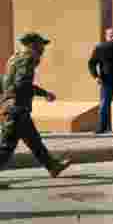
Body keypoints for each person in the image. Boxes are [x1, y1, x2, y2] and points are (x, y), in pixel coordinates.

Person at [0, 33, 72, 177]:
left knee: (34, 141)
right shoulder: (27, 59)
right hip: (17, 108)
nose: (43, 49)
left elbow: (7, 82)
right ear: (32, 45)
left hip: (14, 106)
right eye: (41, 45)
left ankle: (53, 166)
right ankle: (53, 166)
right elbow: (22, 84)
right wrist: (44, 93)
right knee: (7, 146)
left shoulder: (14, 58)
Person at [88, 27, 113, 135]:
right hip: (107, 80)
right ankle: (104, 127)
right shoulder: (101, 48)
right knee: (106, 104)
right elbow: (92, 63)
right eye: (111, 35)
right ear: (106, 37)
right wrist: (96, 76)